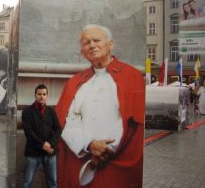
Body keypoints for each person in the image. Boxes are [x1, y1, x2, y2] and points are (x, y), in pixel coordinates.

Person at [55, 25, 145, 188]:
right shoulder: (74, 82)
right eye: (86, 42)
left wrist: (106, 150)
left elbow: (133, 123)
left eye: (96, 40)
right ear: (82, 51)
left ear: (110, 44)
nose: (91, 45)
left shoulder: (133, 76)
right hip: (81, 160)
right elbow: (66, 120)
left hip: (117, 163)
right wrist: (88, 144)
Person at [22, 84, 62, 188]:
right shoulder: (27, 112)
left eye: (44, 94)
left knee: (52, 183)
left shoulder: (51, 112)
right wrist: (42, 144)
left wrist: (50, 143)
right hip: (33, 153)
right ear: (35, 95)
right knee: (27, 182)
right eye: (39, 94)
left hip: (50, 153)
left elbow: (58, 129)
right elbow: (28, 132)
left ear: (47, 96)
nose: (41, 96)